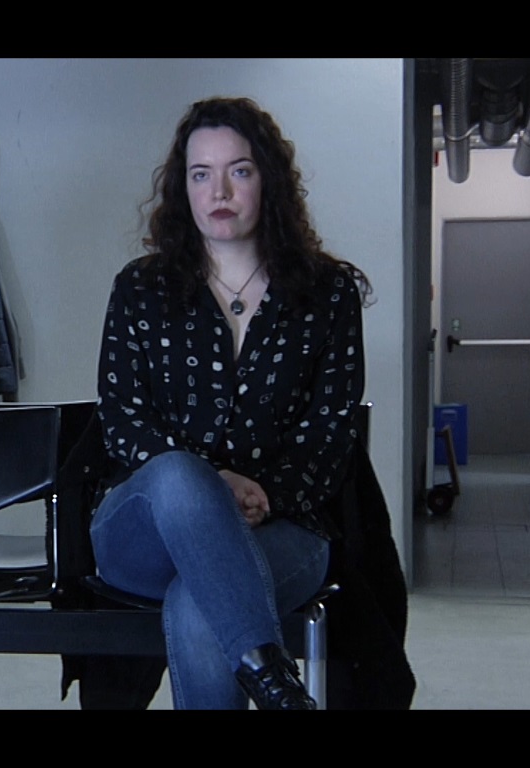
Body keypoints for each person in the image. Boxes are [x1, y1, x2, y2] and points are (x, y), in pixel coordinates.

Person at [90, 96, 373, 710]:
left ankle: (269, 682)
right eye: (201, 174)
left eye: (238, 170)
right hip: (143, 531)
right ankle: (279, 683)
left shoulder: (328, 294)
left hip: (284, 526)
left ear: (268, 180)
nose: (218, 190)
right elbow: (122, 417)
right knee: (177, 474)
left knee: (200, 601)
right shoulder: (140, 288)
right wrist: (211, 486)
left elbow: (330, 431)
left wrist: (266, 494)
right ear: (183, 188)